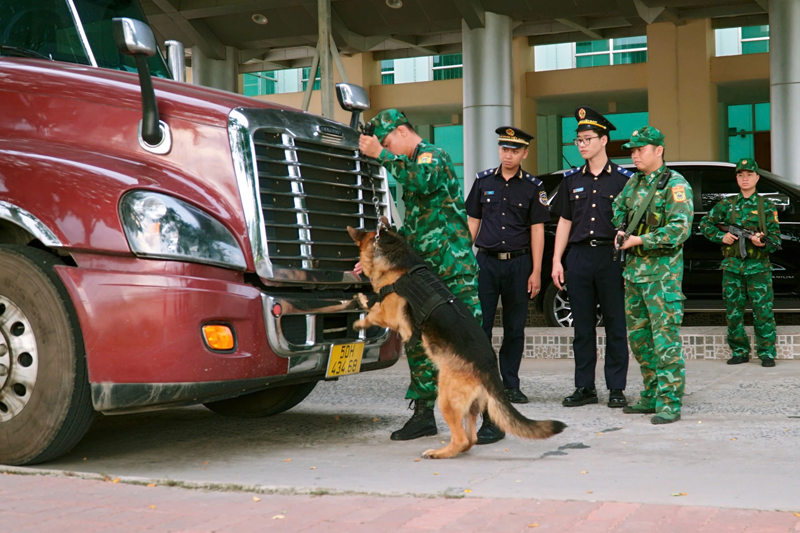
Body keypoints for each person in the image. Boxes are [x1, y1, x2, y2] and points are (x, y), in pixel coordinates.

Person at [357, 109, 482, 441]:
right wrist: (375, 257)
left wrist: (379, 154)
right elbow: (413, 229)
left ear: (401, 132)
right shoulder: (409, 165)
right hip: (424, 273)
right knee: (417, 342)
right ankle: (424, 414)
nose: (386, 149)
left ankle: (491, 418)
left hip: (453, 269)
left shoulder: (433, 156)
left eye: (387, 142)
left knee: (468, 341)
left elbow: (421, 180)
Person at [464, 126, 550, 444]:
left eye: (514, 150)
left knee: (514, 327)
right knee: (481, 327)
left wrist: (536, 271)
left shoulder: (533, 187)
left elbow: (537, 230)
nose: (508, 154)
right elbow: (472, 223)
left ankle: (510, 384)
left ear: (524, 153)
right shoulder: (483, 181)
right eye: (504, 149)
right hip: (485, 262)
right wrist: (463, 261)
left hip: (519, 264)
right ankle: (485, 383)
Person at [551, 107, 632, 409]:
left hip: (611, 259)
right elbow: (564, 222)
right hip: (580, 258)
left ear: (603, 140)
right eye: (578, 140)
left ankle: (616, 388)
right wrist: (557, 260)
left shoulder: (624, 180)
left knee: (615, 325)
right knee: (582, 328)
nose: (582, 144)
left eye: (587, 139)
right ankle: (584, 387)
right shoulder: (571, 180)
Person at [611, 126, 693, 425]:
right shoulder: (633, 183)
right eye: (632, 151)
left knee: (665, 341)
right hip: (634, 275)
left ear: (658, 150)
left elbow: (680, 229)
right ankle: (651, 393)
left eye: (640, 150)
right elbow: (617, 207)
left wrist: (640, 241)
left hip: (662, 277)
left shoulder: (675, 185)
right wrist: (621, 229)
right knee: (641, 340)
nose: (634, 155)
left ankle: (670, 401)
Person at [699, 158, 779, 367]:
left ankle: (767, 353)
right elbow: (705, 223)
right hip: (733, 266)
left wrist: (762, 243)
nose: (745, 179)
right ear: (736, 178)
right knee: (734, 311)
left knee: (763, 311)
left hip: (758, 268)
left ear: (757, 177)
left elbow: (776, 240)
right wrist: (721, 237)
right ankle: (740, 351)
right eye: (741, 175)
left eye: (749, 175)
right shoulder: (727, 205)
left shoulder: (766, 206)